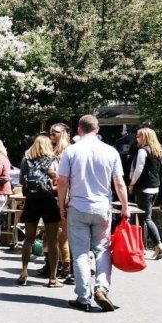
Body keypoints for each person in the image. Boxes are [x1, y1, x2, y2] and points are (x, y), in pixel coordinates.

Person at [57, 115, 130, 312]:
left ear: (79, 130)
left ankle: (83, 297)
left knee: (80, 252)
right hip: (102, 208)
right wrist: (125, 206)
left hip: (78, 206)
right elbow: (119, 183)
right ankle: (102, 287)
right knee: (102, 249)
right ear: (97, 130)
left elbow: (62, 181)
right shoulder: (110, 151)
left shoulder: (70, 151)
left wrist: (62, 204)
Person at [17, 134, 63, 287]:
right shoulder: (54, 160)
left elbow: (21, 181)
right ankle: (52, 278)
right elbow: (58, 180)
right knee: (52, 239)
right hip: (49, 201)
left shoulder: (26, 161)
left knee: (28, 239)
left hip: (31, 202)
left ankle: (24, 272)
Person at [128, 127, 162, 260]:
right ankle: (144, 246)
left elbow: (138, 170)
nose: (136, 138)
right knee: (145, 217)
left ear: (145, 137)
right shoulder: (157, 151)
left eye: (139, 136)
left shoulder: (142, 151)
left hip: (144, 189)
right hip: (155, 188)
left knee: (146, 218)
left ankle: (158, 244)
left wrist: (132, 183)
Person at [48, 123, 72, 280]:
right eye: (50, 132)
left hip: (65, 197)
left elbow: (64, 180)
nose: (51, 135)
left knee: (64, 235)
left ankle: (67, 267)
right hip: (57, 195)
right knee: (56, 234)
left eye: (55, 133)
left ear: (62, 134)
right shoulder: (53, 151)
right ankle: (61, 266)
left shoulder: (67, 152)